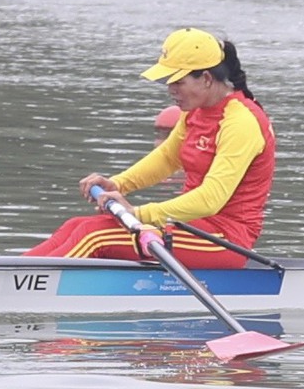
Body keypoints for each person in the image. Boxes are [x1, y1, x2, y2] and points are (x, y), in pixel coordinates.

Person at [25, 28, 273, 269]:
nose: (170, 90)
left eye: (178, 81)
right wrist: (118, 184)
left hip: (225, 239)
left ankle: (22, 284)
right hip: (192, 226)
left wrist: (138, 213)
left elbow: (211, 199)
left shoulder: (241, 122)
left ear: (206, 78)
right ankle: (8, 273)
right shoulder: (196, 113)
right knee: (77, 224)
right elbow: (167, 158)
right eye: (168, 81)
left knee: (94, 235)